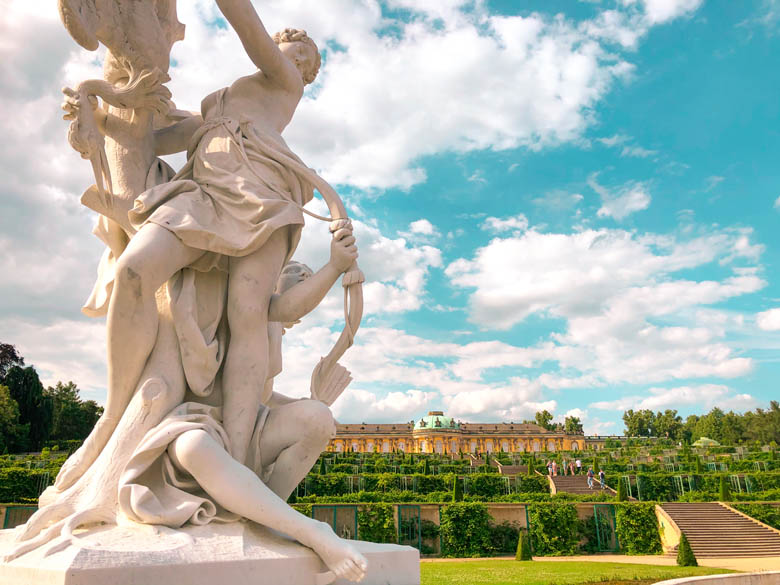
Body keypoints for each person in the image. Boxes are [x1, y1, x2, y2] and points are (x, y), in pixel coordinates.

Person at [55, 0, 353, 487]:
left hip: (262, 190)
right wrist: (96, 113)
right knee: (134, 270)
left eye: (303, 55)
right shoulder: (223, 104)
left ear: (305, 72)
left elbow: (247, 27)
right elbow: (160, 139)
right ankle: (113, 415)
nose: (292, 54)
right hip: (202, 192)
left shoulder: (283, 83)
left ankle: (236, 456)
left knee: (247, 313)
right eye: (291, 47)